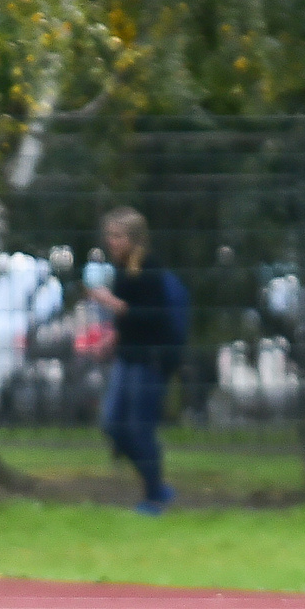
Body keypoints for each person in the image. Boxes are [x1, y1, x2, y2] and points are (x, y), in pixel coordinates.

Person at [86, 207, 188, 515]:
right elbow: (129, 318)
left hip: (150, 360)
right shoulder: (122, 269)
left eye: (118, 236)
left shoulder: (150, 269)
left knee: (138, 428)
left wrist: (113, 304)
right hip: (127, 356)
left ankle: (154, 496)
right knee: (112, 424)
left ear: (134, 239)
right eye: (109, 235)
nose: (111, 241)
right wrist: (112, 338)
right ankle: (156, 486)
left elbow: (153, 317)